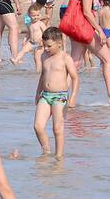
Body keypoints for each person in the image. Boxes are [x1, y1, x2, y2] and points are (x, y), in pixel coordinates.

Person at [33, 28, 77, 157]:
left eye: (49, 46)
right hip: (45, 96)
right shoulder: (44, 56)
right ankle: (46, 151)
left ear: (59, 43)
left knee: (57, 129)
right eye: (44, 45)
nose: (46, 48)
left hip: (60, 96)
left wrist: (73, 97)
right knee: (38, 126)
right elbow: (43, 75)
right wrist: (37, 92)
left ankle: (58, 157)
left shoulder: (65, 58)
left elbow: (75, 77)